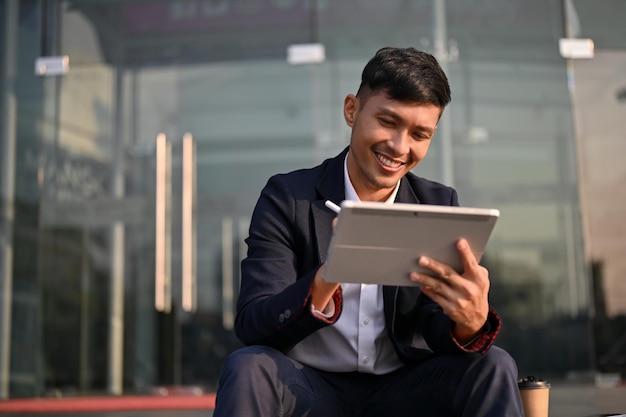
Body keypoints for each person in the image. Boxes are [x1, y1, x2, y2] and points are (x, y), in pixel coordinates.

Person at [213, 46, 524, 417]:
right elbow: (254, 323)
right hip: (309, 387)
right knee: (248, 366)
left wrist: (468, 324)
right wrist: (326, 279)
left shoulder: (437, 204)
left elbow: (435, 324)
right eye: (388, 122)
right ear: (352, 110)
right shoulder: (287, 198)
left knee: (493, 364)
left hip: (404, 390)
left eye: (420, 134)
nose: (399, 147)